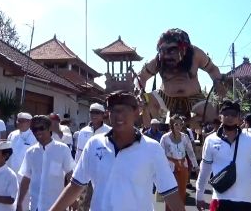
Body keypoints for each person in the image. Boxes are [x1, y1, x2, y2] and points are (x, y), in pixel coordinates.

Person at [49, 90, 185, 211]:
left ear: (136, 112)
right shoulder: (94, 144)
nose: (118, 115)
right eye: (113, 110)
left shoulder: (152, 149)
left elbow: (170, 192)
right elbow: (75, 186)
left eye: (124, 110)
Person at [136, 28, 226, 127]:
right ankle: (151, 135)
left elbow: (212, 69)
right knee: (147, 103)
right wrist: (140, 92)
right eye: (163, 50)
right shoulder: (158, 60)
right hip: (166, 96)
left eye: (172, 50)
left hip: (194, 97)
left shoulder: (196, 54)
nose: (167, 55)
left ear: (184, 49)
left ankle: (186, 125)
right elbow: (141, 77)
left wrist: (217, 82)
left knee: (212, 115)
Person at [196, 100, 251, 211]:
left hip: (245, 200)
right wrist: (199, 195)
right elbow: (205, 170)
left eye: (233, 114)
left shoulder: (250, 139)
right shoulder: (210, 140)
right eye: (226, 114)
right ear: (220, 116)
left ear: (239, 117)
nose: (230, 117)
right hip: (220, 199)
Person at [17, 115, 75, 211]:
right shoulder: (31, 152)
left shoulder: (62, 149)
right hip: (36, 206)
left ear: (49, 129)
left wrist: (73, 199)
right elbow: (26, 178)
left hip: (56, 206)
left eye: (41, 128)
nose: (38, 132)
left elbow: (70, 174)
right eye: (35, 129)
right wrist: (19, 202)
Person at [75, 103, 111, 211]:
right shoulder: (83, 132)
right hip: (85, 172)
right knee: (83, 202)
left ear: (103, 115)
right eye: (92, 112)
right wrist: (76, 170)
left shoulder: (109, 131)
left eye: (97, 113)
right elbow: (78, 152)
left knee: (100, 202)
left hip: (102, 173)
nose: (94, 115)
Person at [160, 114, 199, 210]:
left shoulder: (185, 137)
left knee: (181, 192)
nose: (179, 126)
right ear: (171, 124)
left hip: (183, 167)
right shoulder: (165, 138)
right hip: (169, 168)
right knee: (170, 193)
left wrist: (196, 166)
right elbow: (160, 155)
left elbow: (190, 152)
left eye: (180, 124)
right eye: (176, 124)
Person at [7, 112, 37, 211]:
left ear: (29, 123)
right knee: (10, 201)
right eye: (18, 121)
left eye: (22, 121)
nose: (19, 123)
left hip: (26, 177)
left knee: (24, 203)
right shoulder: (12, 134)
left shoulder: (35, 136)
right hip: (11, 174)